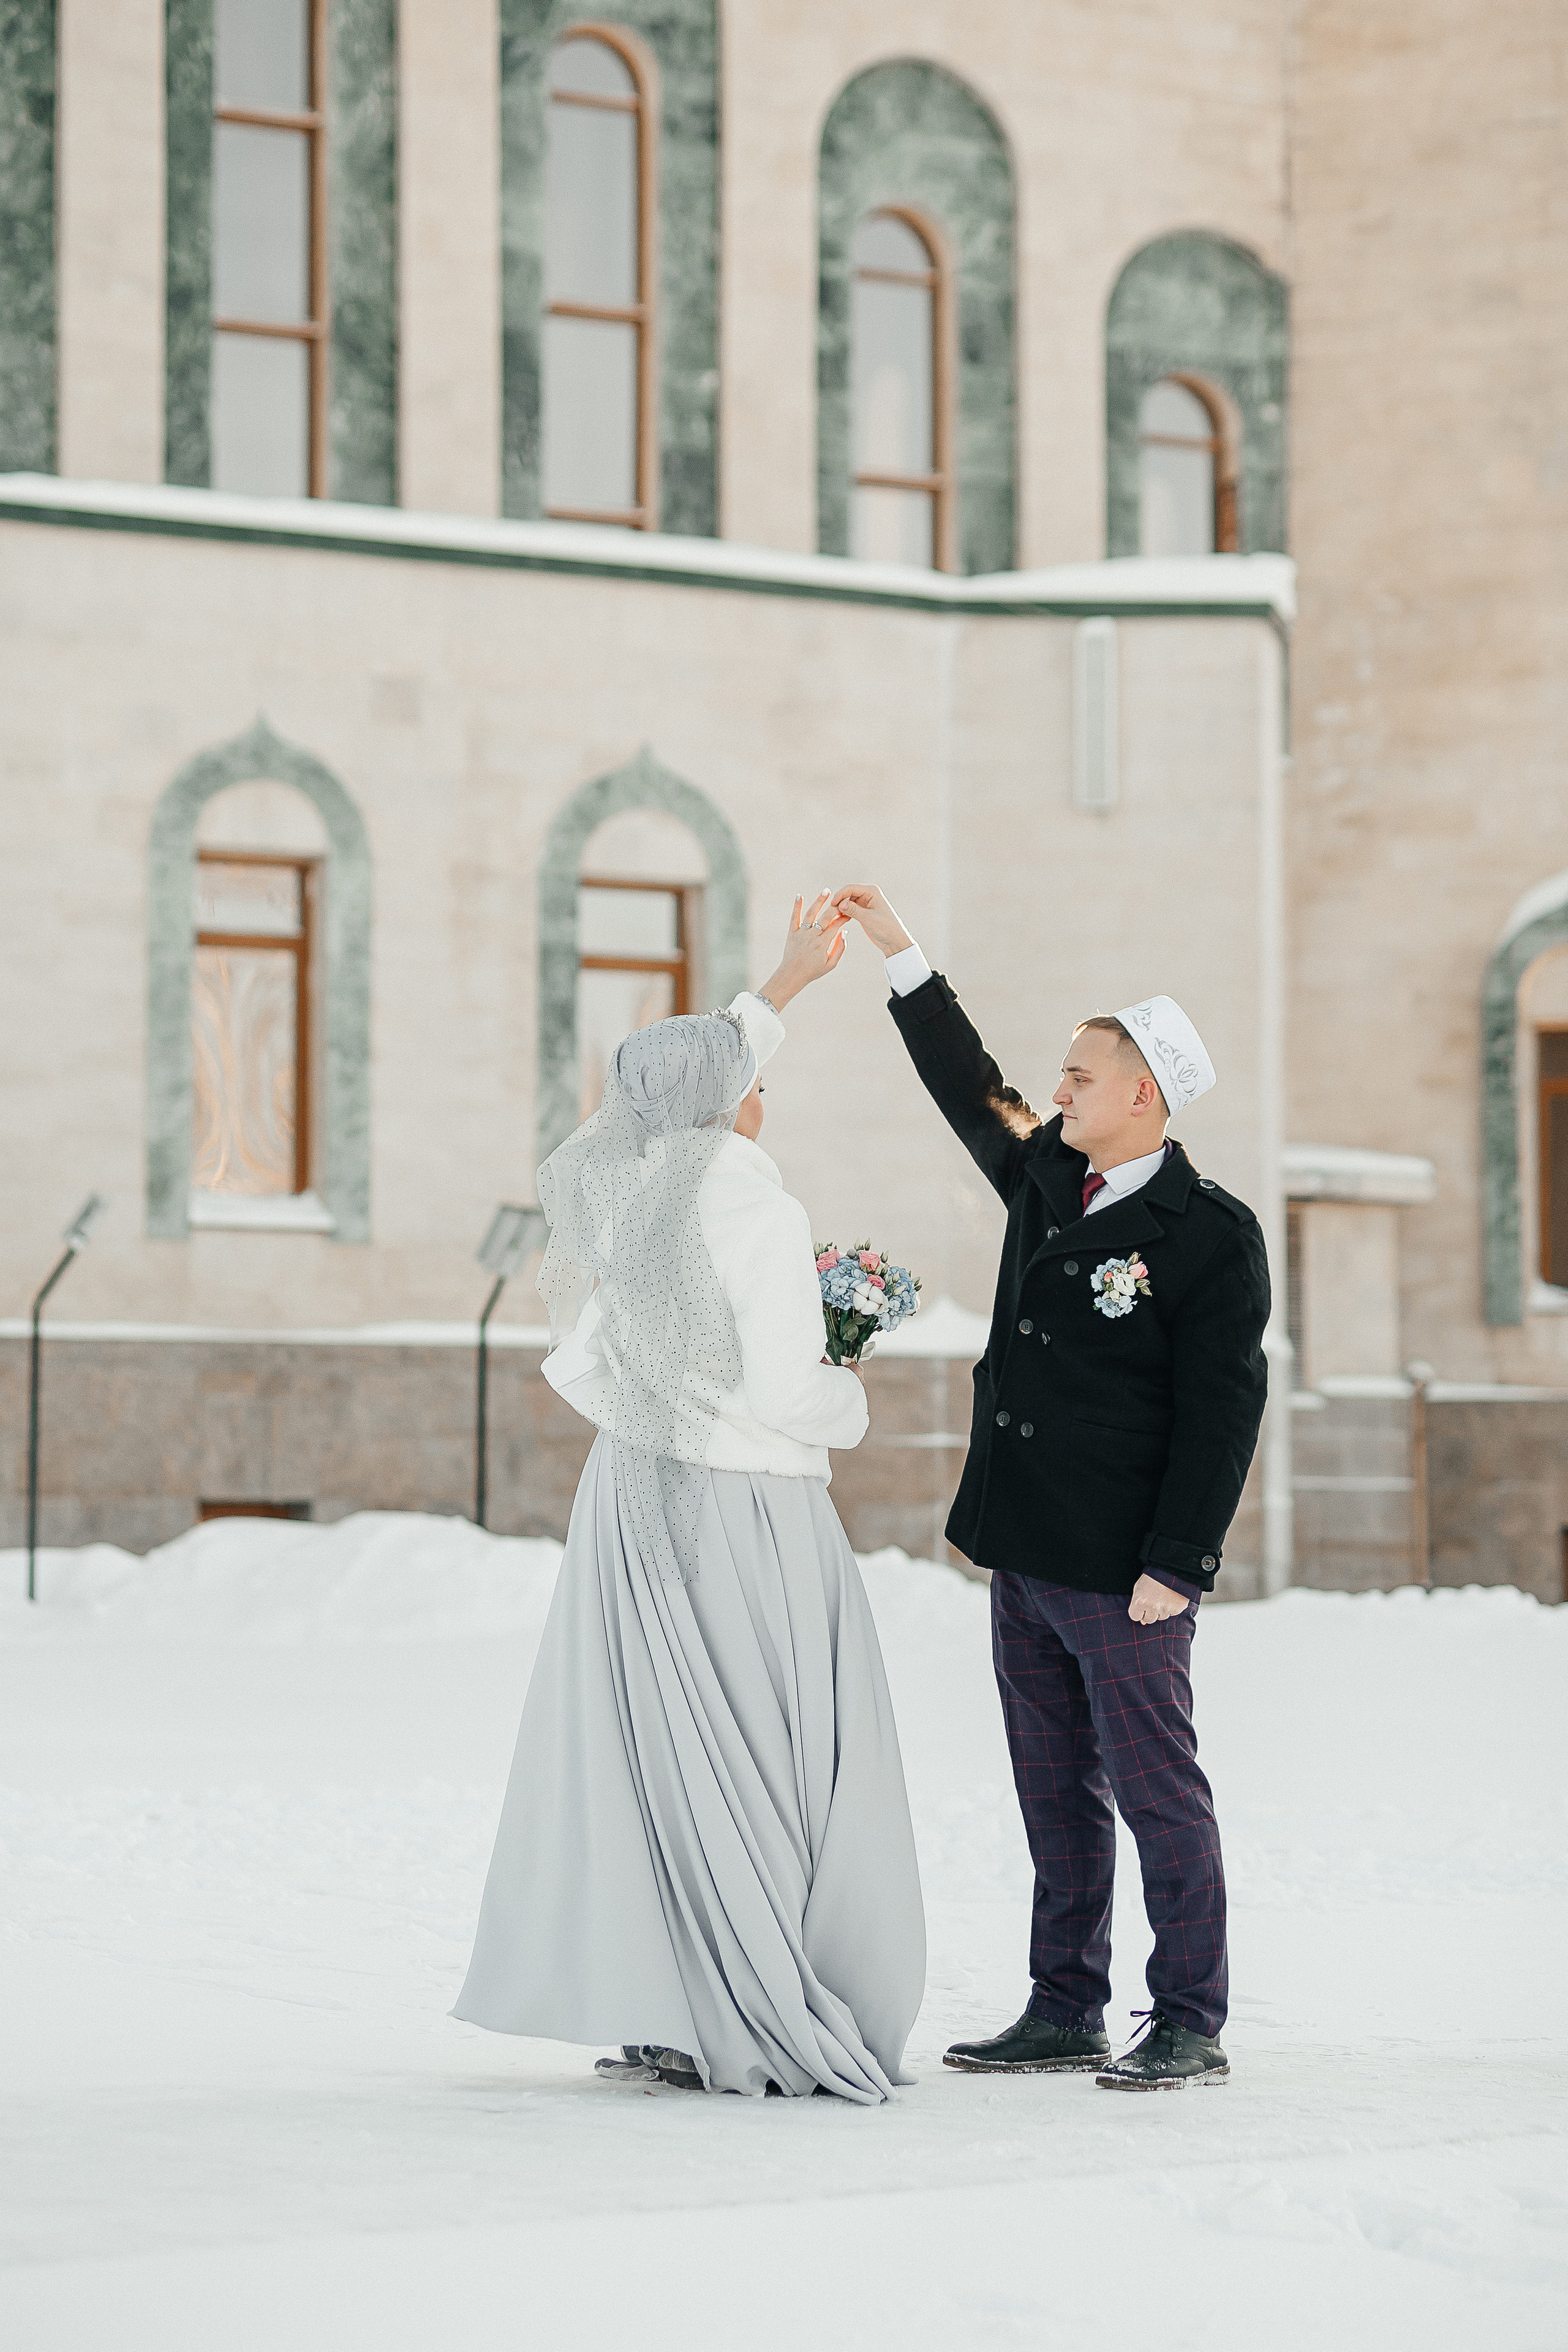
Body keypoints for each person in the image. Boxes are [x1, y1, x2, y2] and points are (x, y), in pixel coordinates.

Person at [453, 893, 925, 2102]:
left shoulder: (619, 1188)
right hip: (739, 1509)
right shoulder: (757, 1205)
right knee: (757, 1758)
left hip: (629, 1502)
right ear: (731, 1102)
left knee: (656, 1754)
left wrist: (785, 982)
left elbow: (688, 1072)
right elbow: (777, 1386)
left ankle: (668, 1998)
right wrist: (846, 1398)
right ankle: (753, 2001)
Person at [831, 884, 1268, 2092]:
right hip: (1022, 1550)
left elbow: (1220, 1415)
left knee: (1155, 1795)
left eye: (1078, 1076)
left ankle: (1186, 2015)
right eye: (1059, 1075)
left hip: (1124, 1569)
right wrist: (901, 956)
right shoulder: (1039, 1176)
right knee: (1052, 1797)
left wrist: (1174, 1566)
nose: (1055, 1090)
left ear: (1141, 1095)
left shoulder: (1208, 1233)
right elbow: (963, 1081)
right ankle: (1063, 2003)